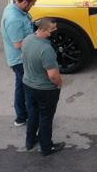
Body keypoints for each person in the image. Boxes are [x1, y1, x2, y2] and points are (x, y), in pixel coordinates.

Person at [20, 16, 66, 155]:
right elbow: (52, 75)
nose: (55, 31)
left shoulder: (27, 39)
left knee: (33, 114)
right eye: (52, 29)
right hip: (45, 90)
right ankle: (46, 147)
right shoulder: (46, 50)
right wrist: (59, 84)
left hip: (28, 84)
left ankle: (30, 141)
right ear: (43, 29)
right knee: (46, 118)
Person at [1, 0, 38, 132]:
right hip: (20, 60)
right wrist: (38, 42)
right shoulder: (14, 19)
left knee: (21, 86)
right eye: (32, 3)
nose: (33, 6)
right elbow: (18, 44)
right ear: (25, 3)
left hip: (21, 58)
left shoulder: (14, 8)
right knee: (25, 89)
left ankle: (22, 115)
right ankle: (25, 117)